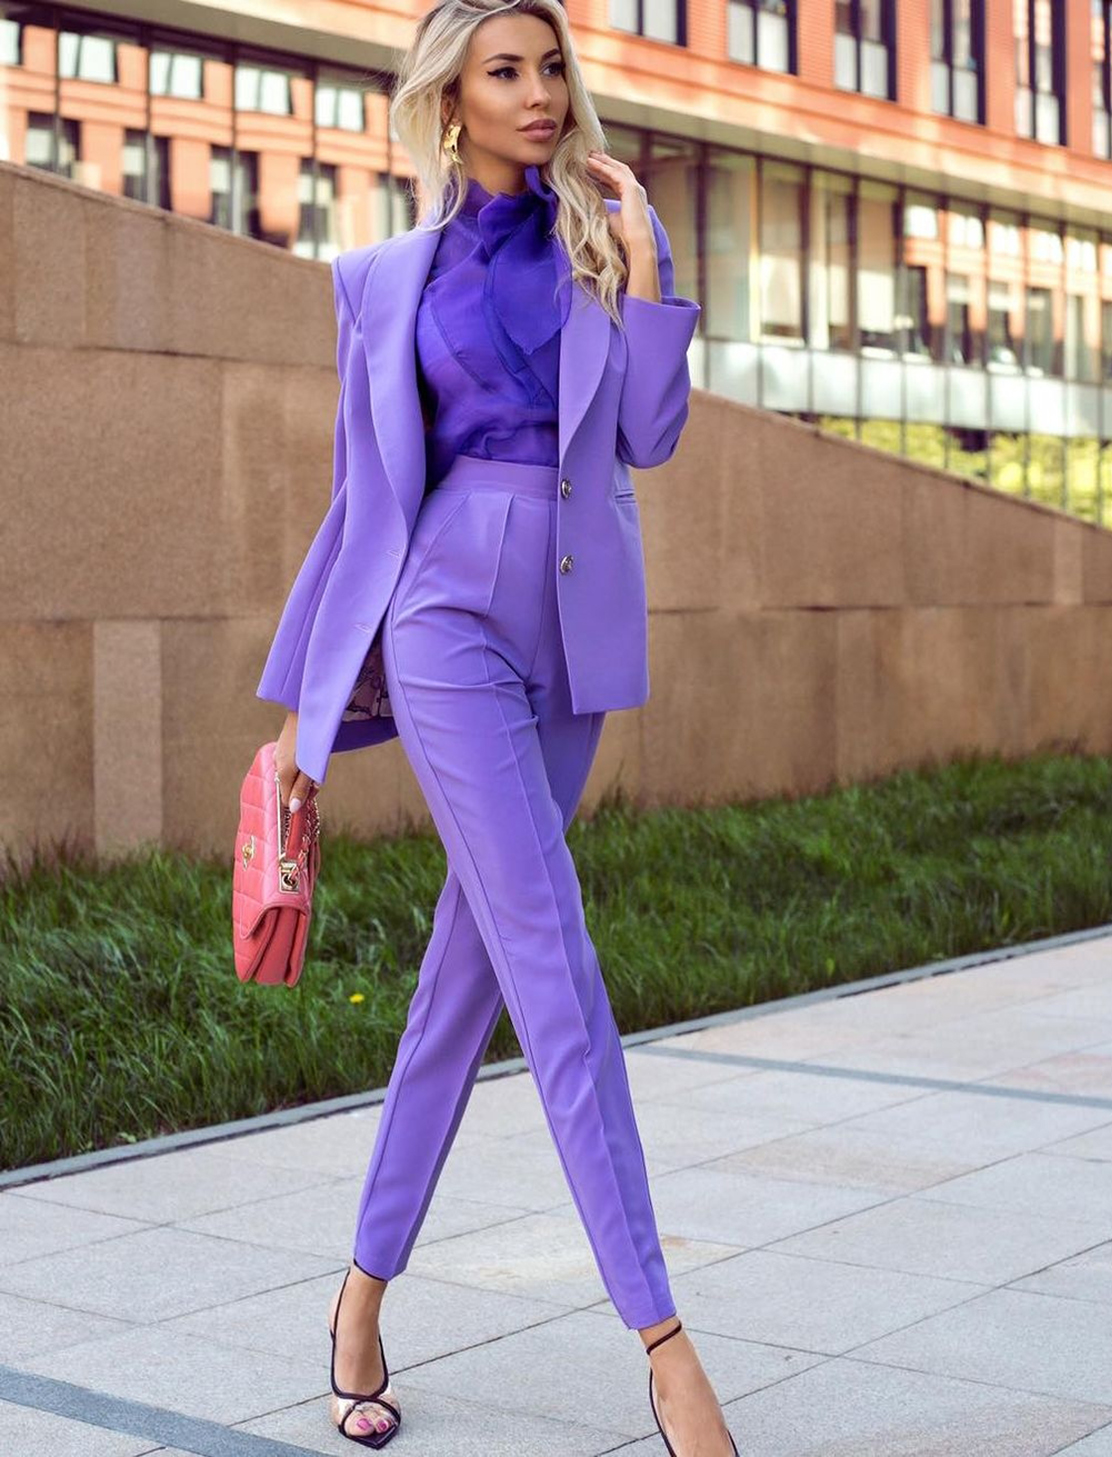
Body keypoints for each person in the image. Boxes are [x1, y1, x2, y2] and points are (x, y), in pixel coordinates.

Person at [258, 1, 736, 1451]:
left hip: (574, 643)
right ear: (450, 104)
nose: (539, 94)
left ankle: (356, 1292)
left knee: (458, 998)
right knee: (556, 959)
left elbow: (651, 435)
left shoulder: (598, 254)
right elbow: (363, 503)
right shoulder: (382, 280)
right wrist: (302, 719)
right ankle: (665, 1345)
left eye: (551, 69)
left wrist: (651, 267)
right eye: (505, 73)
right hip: (446, 620)